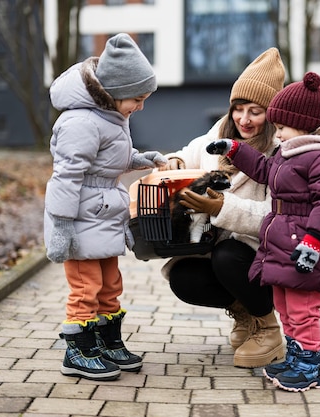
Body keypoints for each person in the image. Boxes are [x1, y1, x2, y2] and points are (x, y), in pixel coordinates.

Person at [206, 71, 320, 392]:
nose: (276, 134)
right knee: (286, 307)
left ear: (303, 125)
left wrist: (313, 243)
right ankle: (295, 355)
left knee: (304, 310)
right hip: (281, 245)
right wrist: (235, 149)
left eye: (281, 128)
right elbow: (265, 170)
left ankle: (312, 365)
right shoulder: (290, 153)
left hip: (307, 247)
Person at [44, 33, 167, 381]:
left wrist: (142, 159)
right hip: (79, 219)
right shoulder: (80, 122)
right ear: (114, 91)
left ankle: (106, 340)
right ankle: (78, 351)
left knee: (110, 284)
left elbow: (109, 160)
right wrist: (62, 225)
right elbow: (66, 177)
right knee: (86, 289)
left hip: (101, 216)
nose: (140, 106)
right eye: (137, 99)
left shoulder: (112, 116)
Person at [158, 48, 286, 368]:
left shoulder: (281, 151)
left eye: (255, 111)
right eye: (238, 109)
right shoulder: (220, 131)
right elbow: (191, 152)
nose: (243, 119)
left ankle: (268, 329)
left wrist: (221, 206)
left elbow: (277, 218)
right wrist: (175, 161)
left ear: (271, 114)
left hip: (264, 255)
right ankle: (246, 314)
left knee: (228, 255)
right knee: (183, 276)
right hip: (218, 247)